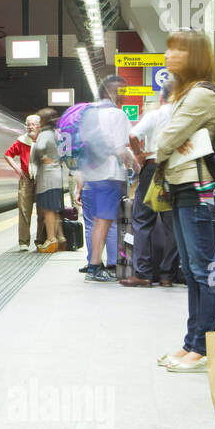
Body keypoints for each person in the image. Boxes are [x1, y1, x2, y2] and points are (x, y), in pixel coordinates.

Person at [154, 30, 215, 373]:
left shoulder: (200, 96)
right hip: (183, 187)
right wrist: (171, 142)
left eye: (178, 49)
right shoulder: (185, 95)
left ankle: (204, 346)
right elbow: (170, 139)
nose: (169, 55)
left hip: (199, 190)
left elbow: (164, 140)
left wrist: (169, 143)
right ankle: (191, 342)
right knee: (192, 270)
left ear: (195, 56)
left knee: (202, 270)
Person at [120, 79, 180, 287]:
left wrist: (138, 155)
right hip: (176, 170)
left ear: (162, 97)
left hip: (154, 168)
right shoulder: (184, 114)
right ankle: (167, 276)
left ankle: (143, 273)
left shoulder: (156, 114)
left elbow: (132, 135)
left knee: (143, 220)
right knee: (173, 224)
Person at [74, 76, 133, 282]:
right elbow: (120, 148)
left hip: (91, 175)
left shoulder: (88, 115)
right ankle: (95, 267)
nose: (124, 94)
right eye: (122, 90)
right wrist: (136, 164)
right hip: (109, 175)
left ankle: (95, 264)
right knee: (104, 222)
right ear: (112, 92)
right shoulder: (117, 115)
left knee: (98, 221)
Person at [29, 107, 65, 254]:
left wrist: (42, 156)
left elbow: (39, 147)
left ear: (43, 121)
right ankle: (61, 238)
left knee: (48, 210)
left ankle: (50, 240)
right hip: (57, 175)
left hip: (47, 177)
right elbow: (64, 152)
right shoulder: (57, 134)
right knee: (55, 210)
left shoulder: (45, 134)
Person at [4, 115, 41, 252]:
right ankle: (23, 242)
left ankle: (40, 240)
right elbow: (8, 154)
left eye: (33, 124)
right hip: (26, 178)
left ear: (39, 126)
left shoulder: (44, 141)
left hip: (41, 178)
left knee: (42, 211)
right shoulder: (21, 141)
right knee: (24, 210)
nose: (30, 127)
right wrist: (17, 169)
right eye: (28, 124)